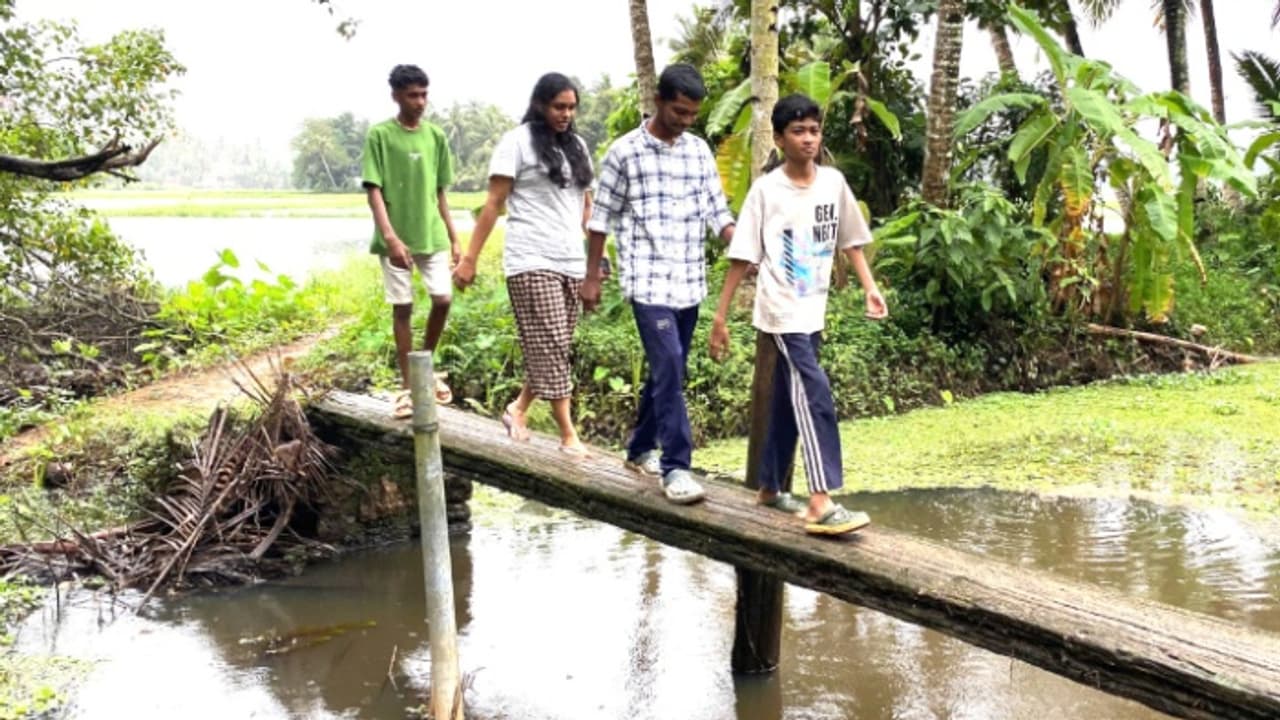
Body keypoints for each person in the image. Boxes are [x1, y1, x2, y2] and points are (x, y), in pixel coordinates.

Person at [709, 94, 888, 536]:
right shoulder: (767, 191)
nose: (808, 139)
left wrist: (870, 287)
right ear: (779, 138)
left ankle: (770, 486)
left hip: (814, 309)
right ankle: (821, 500)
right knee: (814, 393)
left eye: (814, 130)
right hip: (782, 310)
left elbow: (851, 240)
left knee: (791, 402)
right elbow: (742, 254)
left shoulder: (832, 183)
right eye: (798, 131)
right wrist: (720, 317)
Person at [582, 64, 735, 504]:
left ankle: (638, 448)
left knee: (667, 369)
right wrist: (592, 275)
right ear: (659, 102)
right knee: (670, 365)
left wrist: (738, 240)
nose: (686, 121)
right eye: (679, 112)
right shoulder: (624, 152)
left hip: (688, 280)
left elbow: (717, 213)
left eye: (692, 114)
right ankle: (676, 467)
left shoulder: (699, 152)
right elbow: (601, 219)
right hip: (647, 280)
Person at [453, 72, 593, 456]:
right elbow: (494, 204)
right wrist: (469, 258)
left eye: (570, 107)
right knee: (552, 345)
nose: (565, 114)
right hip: (530, 258)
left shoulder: (578, 146)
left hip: (571, 260)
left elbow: (586, 206)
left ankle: (518, 409)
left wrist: (598, 258)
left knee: (553, 345)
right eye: (558, 106)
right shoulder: (516, 143)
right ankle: (569, 436)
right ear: (540, 105)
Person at [361, 63, 460, 419]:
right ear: (396, 96)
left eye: (424, 94)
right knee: (402, 307)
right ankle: (407, 388)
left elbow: (440, 192)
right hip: (394, 238)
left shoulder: (435, 136)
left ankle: (425, 369)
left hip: (430, 233)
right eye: (412, 95)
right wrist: (390, 237)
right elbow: (374, 190)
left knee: (443, 298)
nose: (420, 102)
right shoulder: (380, 136)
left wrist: (453, 235)